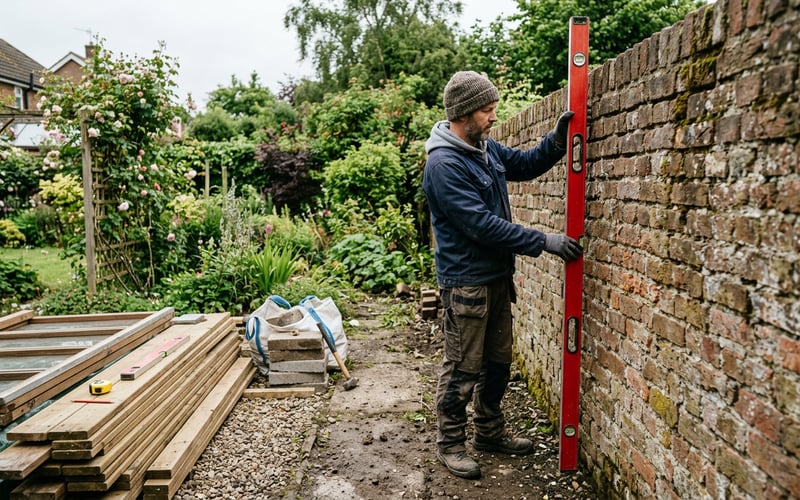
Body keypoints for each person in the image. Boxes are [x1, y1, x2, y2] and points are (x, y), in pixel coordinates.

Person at [422, 70, 583, 479]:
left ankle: (489, 433)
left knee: (497, 364)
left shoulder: (484, 149)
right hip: (466, 285)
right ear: (463, 113)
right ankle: (451, 443)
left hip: (496, 277)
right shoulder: (443, 165)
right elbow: (481, 225)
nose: (494, 117)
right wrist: (543, 241)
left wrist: (557, 141)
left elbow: (525, 164)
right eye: (487, 110)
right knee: (463, 368)